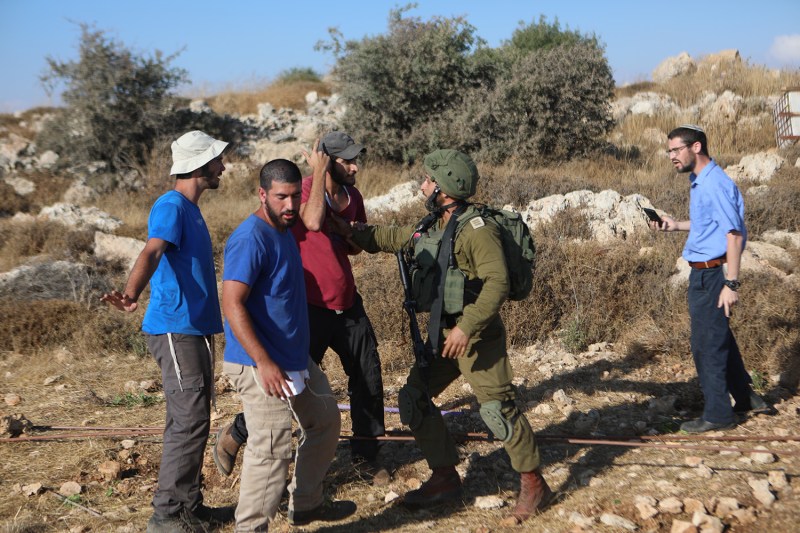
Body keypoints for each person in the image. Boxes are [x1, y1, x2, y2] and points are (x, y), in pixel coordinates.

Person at [347, 149, 551, 525]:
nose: (422, 184)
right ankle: (444, 478)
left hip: (476, 337)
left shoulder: (478, 230)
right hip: (442, 336)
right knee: (413, 400)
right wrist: (352, 231)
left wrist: (466, 327)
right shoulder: (436, 224)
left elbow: (498, 282)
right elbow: (400, 239)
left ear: (444, 188)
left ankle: (533, 483)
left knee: (497, 410)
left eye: (427, 180)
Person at [214, 132, 389, 485]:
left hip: (346, 302)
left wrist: (348, 231)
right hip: (309, 307)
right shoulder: (301, 192)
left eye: (356, 160)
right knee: (290, 385)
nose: (355, 167)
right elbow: (310, 223)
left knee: (367, 377)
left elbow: (354, 249)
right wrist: (320, 175)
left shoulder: (352, 196)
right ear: (328, 161)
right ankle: (237, 431)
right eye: (347, 161)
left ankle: (366, 458)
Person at [101, 130, 234, 532]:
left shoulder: (189, 208)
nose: (222, 167)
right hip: (176, 328)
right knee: (188, 419)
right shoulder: (172, 206)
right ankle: (168, 516)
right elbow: (152, 250)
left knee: (195, 418)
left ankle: (190, 507)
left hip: (194, 329)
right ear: (198, 166)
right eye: (216, 160)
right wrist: (130, 293)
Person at [221, 156, 356, 529]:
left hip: (294, 358)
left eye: (296, 195)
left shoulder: (283, 229)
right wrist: (264, 362)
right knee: (271, 449)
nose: (291, 205)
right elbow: (232, 304)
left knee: (326, 420)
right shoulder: (250, 238)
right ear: (262, 194)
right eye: (282, 197)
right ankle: (252, 528)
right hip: (259, 362)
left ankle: (307, 503)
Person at [651, 124, 770, 433]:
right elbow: (710, 223)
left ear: (696, 148)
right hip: (705, 272)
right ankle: (746, 398)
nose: (671, 156)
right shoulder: (700, 181)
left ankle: (718, 415)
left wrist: (731, 283)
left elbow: (733, 233)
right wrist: (675, 225)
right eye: (669, 151)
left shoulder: (714, 183)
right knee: (718, 336)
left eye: (676, 150)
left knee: (707, 345)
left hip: (714, 275)